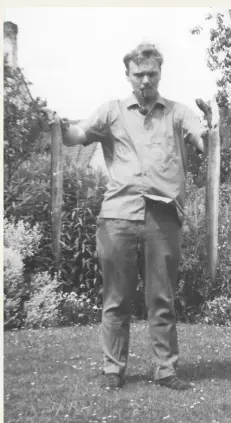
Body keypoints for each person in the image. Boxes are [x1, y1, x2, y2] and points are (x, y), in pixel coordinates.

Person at [46, 43, 207, 391]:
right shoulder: (111, 111)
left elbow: (205, 142)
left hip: (163, 217)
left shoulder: (179, 114)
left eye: (152, 73)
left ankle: (166, 370)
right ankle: (112, 370)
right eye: (139, 74)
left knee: (161, 298)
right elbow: (77, 135)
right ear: (128, 76)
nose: (146, 80)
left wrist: (214, 128)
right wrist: (60, 126)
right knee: (115, 298)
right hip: (117, 217)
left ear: (160, 73)